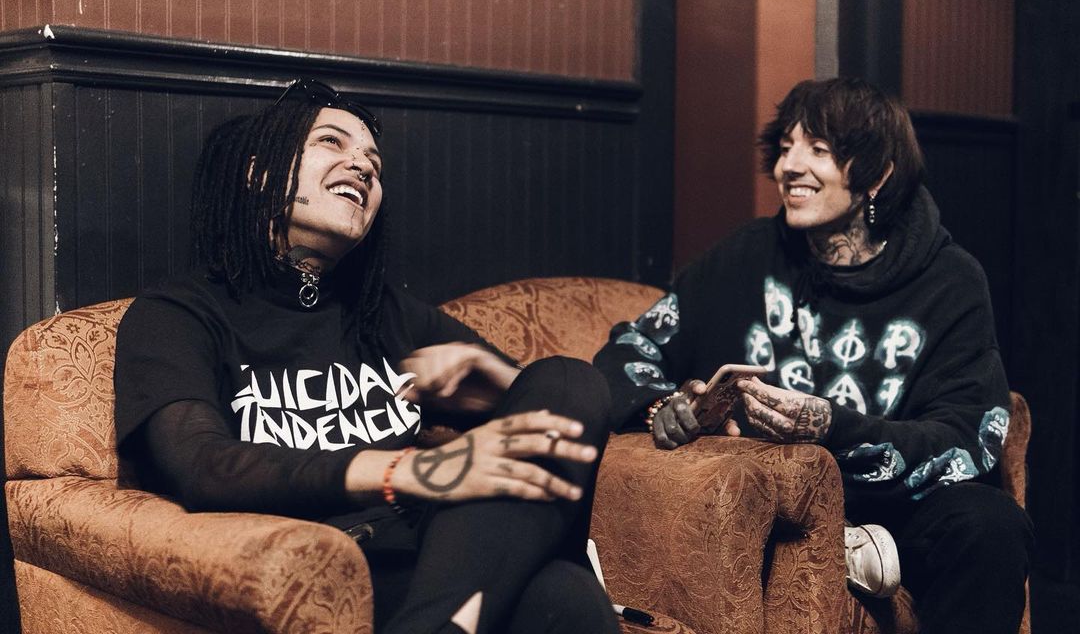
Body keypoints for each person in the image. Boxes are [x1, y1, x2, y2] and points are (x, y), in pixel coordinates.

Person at [114, 79, 620, 634]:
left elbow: (558, 413)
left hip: (441, 550)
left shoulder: (387, 314)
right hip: (334, 562)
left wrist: (501, 384)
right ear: (259, 174)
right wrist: (407, 470)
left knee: (569, 379)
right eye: (331, 142)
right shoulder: (178, 313)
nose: (362, 167)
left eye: (374, 164)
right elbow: (202, 465)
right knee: (566, 596)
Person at [594, 78, 1033, 634]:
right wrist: (660, 406)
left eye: (819, 150)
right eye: (785, 148)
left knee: (990, 525)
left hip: (901, 512)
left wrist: (834, 428)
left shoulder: (951, 281)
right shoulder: (746, 256)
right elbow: (627, 351)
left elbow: (970, 439)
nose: (790, 167)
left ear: (877, 175)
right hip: (776, 510)